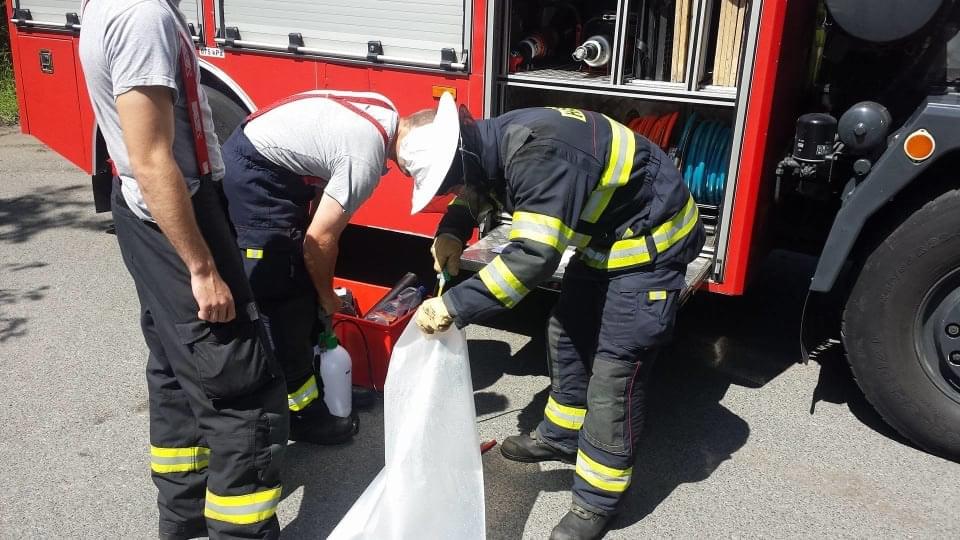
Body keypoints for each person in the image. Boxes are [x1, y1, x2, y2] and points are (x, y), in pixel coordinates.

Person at [397, 94, 705, 540]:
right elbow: (476, 188)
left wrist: (454, 306)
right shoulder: (492, 142)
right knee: (565, 332)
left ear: (461, 154)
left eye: (450, 181)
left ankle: (597, 501)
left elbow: (532, 258)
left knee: (615, 374)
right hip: (608, 239)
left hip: (651, 243)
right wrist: (451, 230)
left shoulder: (538, 156)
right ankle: (562, 436)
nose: (451, 191)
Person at [79, 2, 288, 538]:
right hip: (175, 218)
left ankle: (184, 518)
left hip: (148, 216)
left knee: (176, 371)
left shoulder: (110, 6)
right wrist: (202, 267)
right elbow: (152, 159)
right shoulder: (142, 15)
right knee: (238, 390)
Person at [218, 90, 400, 444]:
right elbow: (319, 241)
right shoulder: (364, 155)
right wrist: (327, 295)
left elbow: (318, 211)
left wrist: (318, 286)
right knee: (284, 298)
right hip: (256, 175)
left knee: (301, 285)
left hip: (280, 174)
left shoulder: (386, 118)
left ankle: (325, 389)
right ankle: (302, 416)